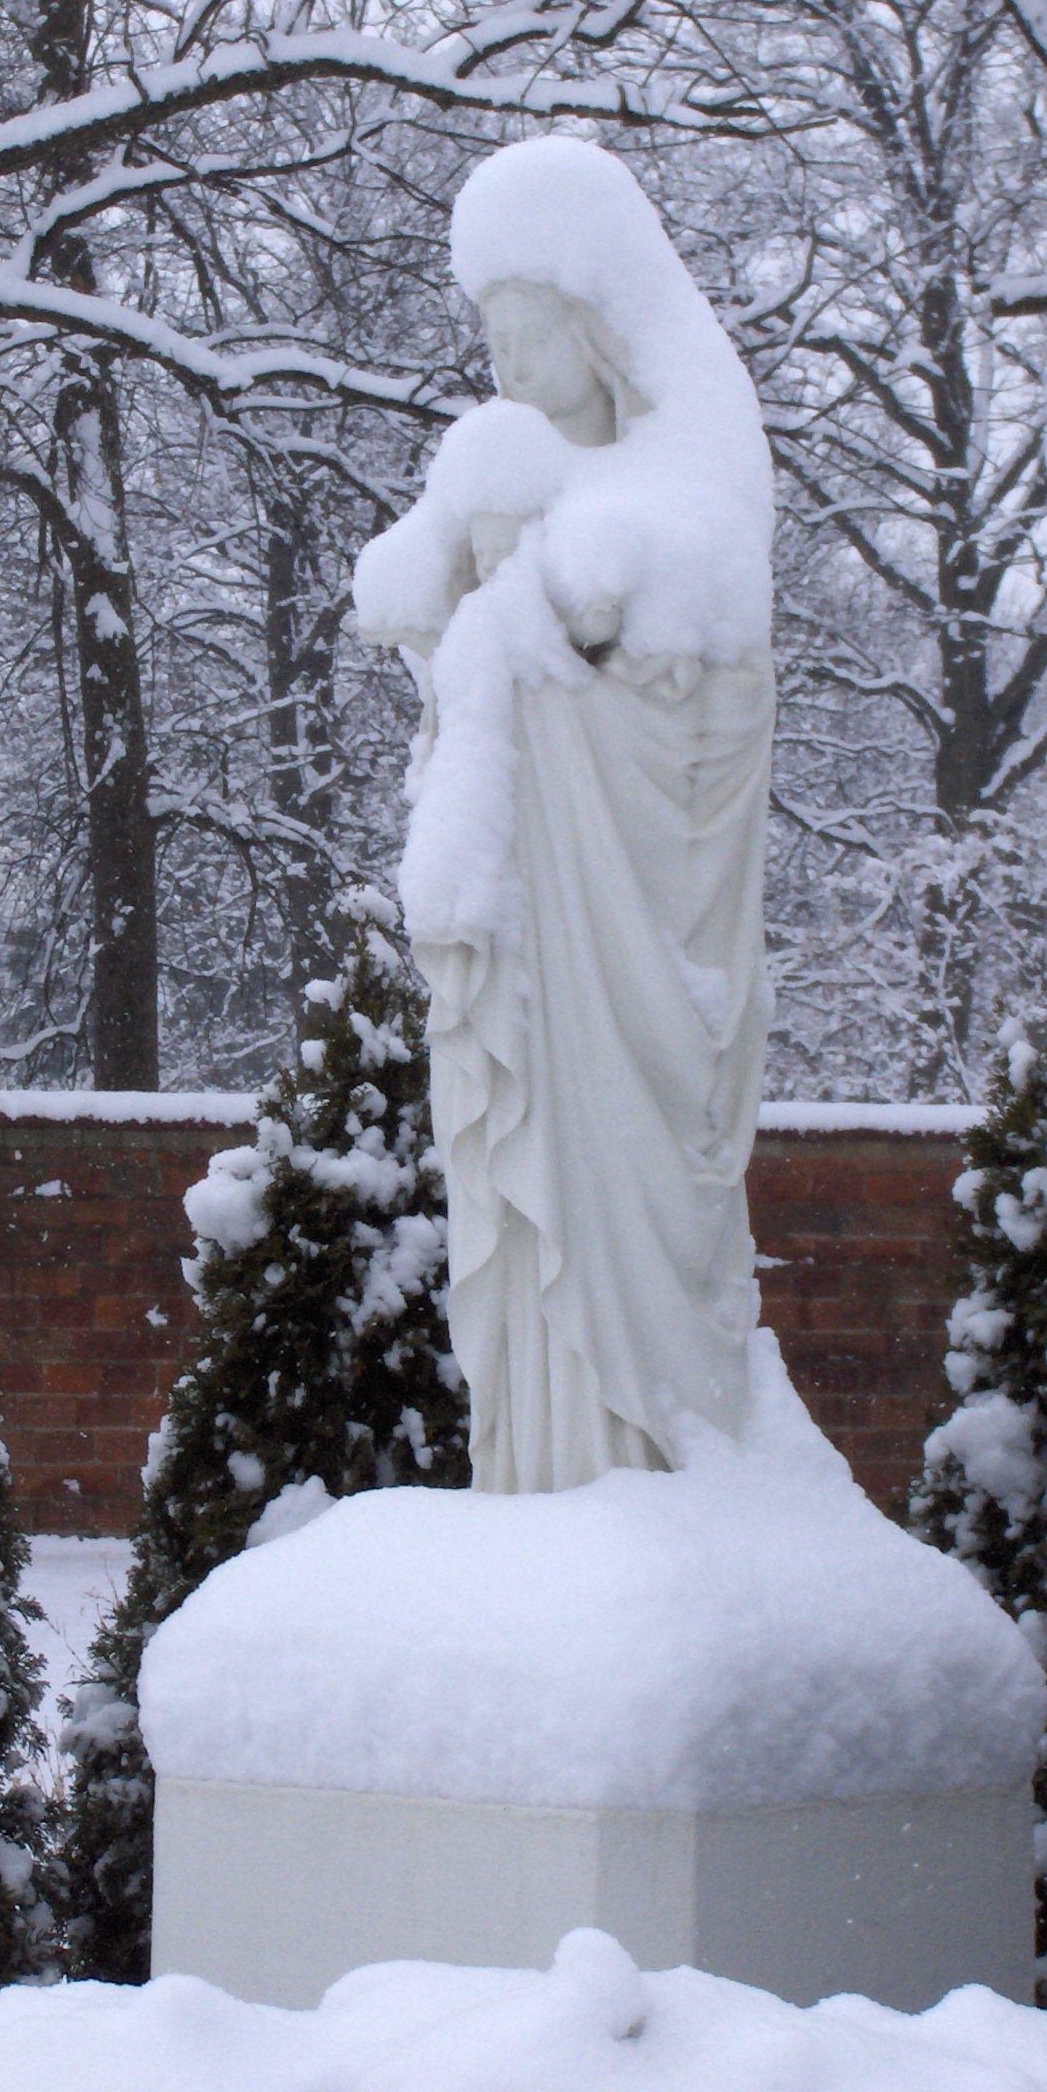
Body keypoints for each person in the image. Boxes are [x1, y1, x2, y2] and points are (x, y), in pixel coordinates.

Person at [354, 138, 775, 1492]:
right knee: (521, 1208)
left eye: (533, 336)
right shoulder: (502, 469)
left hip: (633, 963)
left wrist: (551, 623)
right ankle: (538, 1466)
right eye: (495, 341)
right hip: (526, 941)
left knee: (640, 1212)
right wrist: (462, 598)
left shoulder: (687, 489)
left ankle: (654, 1451)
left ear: (596, 328)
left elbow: (706, 714)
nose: (513, 368)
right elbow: (398, 603)